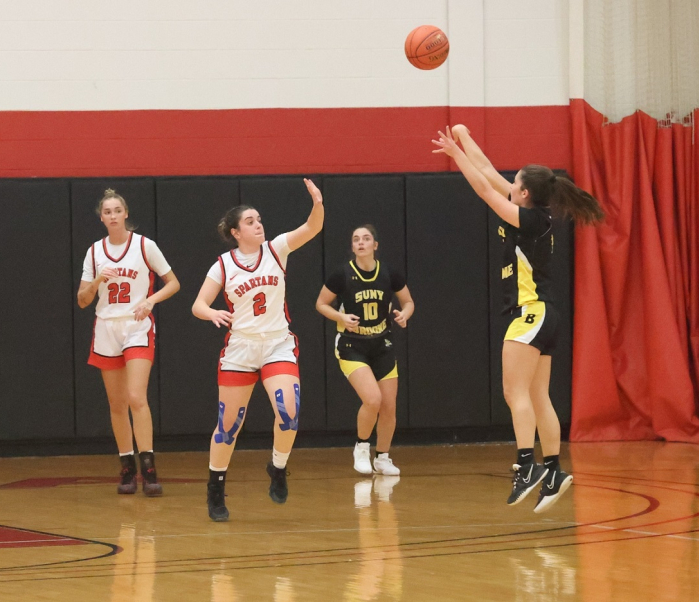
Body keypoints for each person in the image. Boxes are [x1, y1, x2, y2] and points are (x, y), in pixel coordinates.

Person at [432, 124, 604, 512]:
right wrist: (464, 137)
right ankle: (555, 470)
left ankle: (527, 466)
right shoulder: (530, 212)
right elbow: (489, 171)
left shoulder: (529, 219)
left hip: (532, 312)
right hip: (546, 313)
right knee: (539, 395)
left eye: (515, 182)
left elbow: (483, 188)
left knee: (515, 393)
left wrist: (454, 154)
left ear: (524, 193)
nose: (509, 183)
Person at [192, 179, 324, 521]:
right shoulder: (223, 265)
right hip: (241, 349)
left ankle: (278, 467)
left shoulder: (277, 249)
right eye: (250, 221)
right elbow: (198, 305)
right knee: (229, 426)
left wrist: (318, 203)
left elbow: (312, 227)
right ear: (236, 232)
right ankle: (216, 488)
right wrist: (211, 312)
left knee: (289, 412)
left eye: (259, 219)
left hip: (277, 343)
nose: (258, 224)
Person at [77, 189, 180, 496]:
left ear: (125, 214)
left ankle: (148, 467)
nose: (112, 215)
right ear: (102, 217)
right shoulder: (95, 252)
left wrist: (150, 301)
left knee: (136, 396)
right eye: (107, 211)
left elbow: (173, 283)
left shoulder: (144, 245)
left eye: (117, 210)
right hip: (107, 328)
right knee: (117, 404)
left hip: (137, 325)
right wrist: (97, 281)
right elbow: (83, 301)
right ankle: (126, 467)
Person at [315, 225, 413, 476]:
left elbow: (409, 301)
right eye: (356, 239)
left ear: (375, 245)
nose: (360, 243)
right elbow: (321, 304)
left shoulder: (389, 273)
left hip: (382, 343)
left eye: (366, 239)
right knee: (372, 399)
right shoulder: (342, 274)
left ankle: (382, 457)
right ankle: (361, 446)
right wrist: (340, 316)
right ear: (353, 246)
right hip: (351, 344)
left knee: (389, 406)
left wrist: (405, 314)